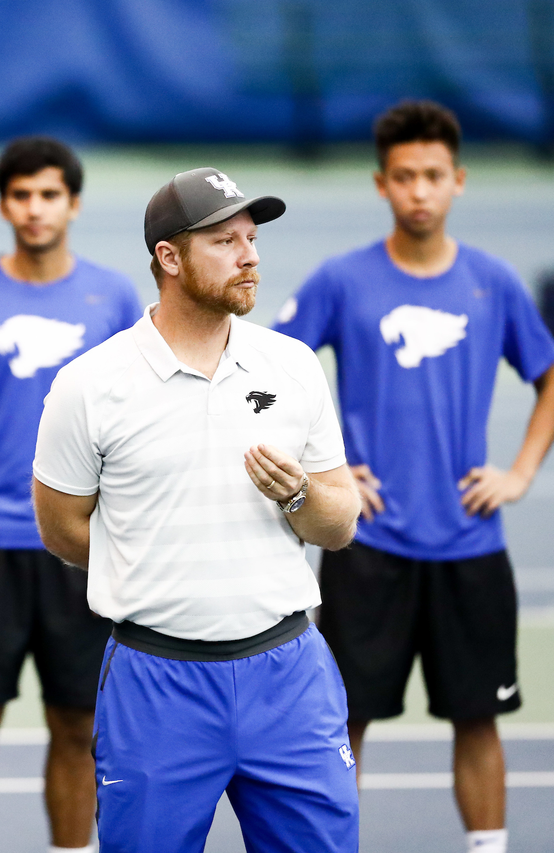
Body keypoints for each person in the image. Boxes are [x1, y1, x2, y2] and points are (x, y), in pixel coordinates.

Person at [32, 167, 363, 853]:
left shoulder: (294, 365)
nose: (251, 256)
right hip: (156, 684)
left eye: (252, 238)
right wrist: (152, 553)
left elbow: (340, 522)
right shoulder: (89, 385)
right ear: (170, 257)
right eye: (225, 240)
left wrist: (300, 494)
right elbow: (61, 526)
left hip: (288, 675)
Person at [273, 101, 554, 853]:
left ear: (458, 180)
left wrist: (520, 472)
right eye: (404, 177)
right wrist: (318, 471)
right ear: (381, 183)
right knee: (341, 722)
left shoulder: (493, 282)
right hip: (367, 547)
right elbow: (266, 375)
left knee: (478, 716)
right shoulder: (341, 279)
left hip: (469, 545)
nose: (419, 191)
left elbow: (548, 373)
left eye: (433, 176)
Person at [0, 136, 141, 853]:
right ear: (3, 202)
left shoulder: (115, 295)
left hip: (80, 548)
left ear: (72, 203)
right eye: (21, 195)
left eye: (49, 195)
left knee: (78, 726)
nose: (35, 209)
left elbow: (137, 417)